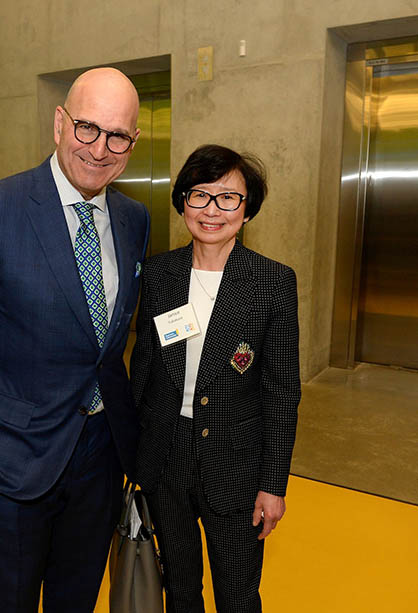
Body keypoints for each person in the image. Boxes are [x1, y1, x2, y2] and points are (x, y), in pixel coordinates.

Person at [0, 67, 150, 612]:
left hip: (100, 456)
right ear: (59, 123)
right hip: (9, 456)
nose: (100, 149)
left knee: (76, 600)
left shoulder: (134, 219)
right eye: (87, 128)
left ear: (132, 144)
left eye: (118, 136)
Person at [130, 144, 301, 612]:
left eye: (228, 198)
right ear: (182, 201)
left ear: (247, 211)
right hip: (167, 458)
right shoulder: (160, 274)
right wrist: (135, 459)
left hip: (236, 464)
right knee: (181, 589)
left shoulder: (272, 282)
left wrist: (274, 483)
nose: (212, 210)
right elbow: (142, 369)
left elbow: (282, 392)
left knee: (238, 594)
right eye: (199, 195)